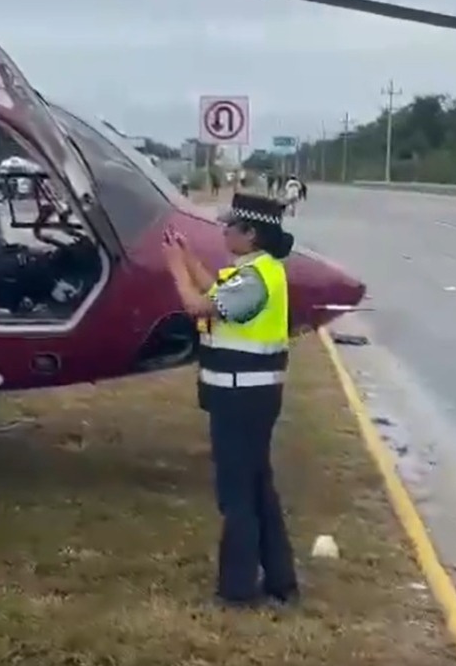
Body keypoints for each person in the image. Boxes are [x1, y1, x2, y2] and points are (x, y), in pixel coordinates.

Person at [162, 192, 300, 609]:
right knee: (258, 487)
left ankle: (237, 591)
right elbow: (215, 289)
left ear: (251, 233)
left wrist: (173, 271)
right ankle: (281, 583)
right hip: (249, 396)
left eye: (230, 226)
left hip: (242, 397)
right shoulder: (255, 271)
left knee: (236, 493)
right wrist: (186, 258)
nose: (224, 232)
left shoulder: (255, 279)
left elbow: (197, 304)